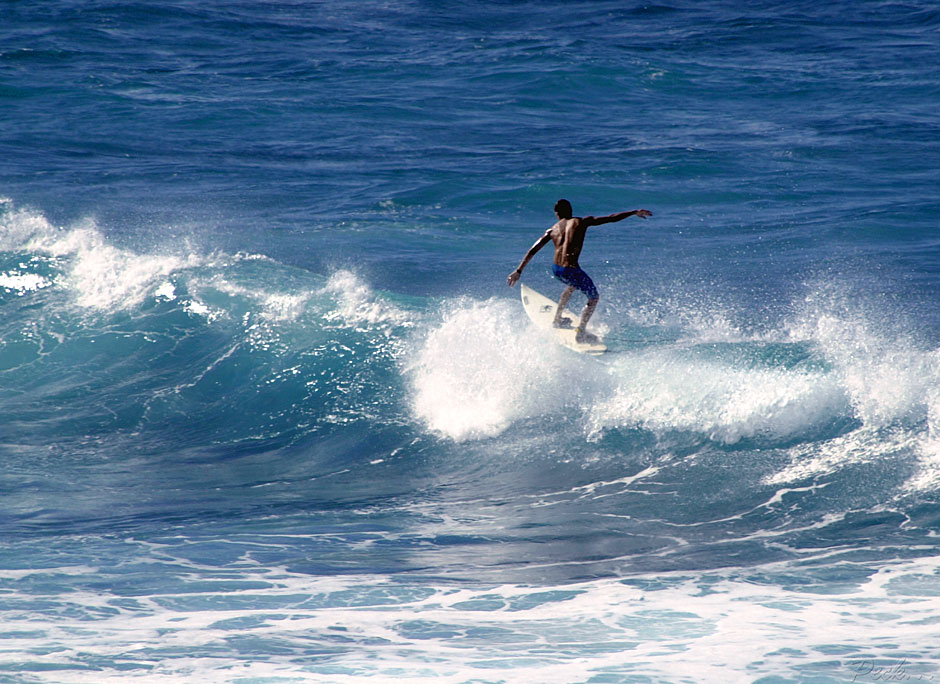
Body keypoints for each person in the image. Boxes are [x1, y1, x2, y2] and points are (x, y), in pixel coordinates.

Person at [507, 199, 652, 343]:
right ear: (571, 211)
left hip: (556, 269)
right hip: (571, 270)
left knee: (572, 285)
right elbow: (610, 218)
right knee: (593, 298)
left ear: (557, 214)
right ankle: (580, 332)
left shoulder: (552, 230)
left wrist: (518, 271)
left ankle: (557, 319)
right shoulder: (581, 222)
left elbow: (533, 249)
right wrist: (633, 212)